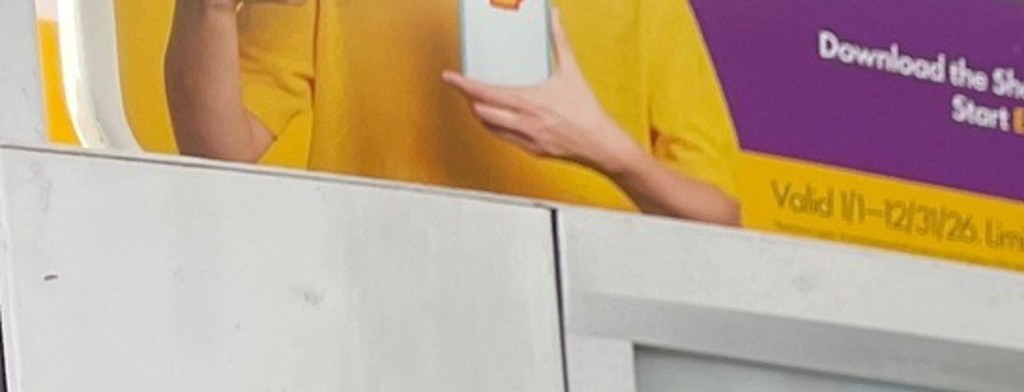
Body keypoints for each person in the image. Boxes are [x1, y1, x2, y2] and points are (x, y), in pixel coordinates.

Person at [162, 0, 743, 225]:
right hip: (381, 309)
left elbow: (717, 215)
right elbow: (217, 150)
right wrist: (208, 8)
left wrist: (604, 148)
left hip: (580, 332)